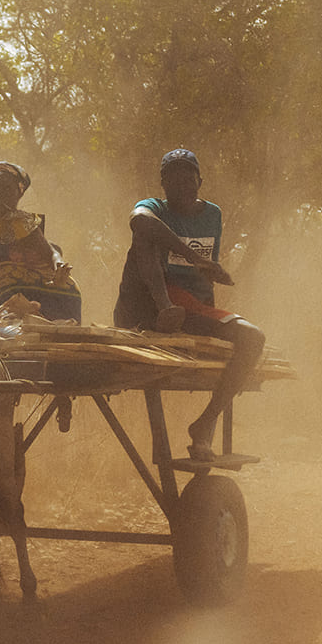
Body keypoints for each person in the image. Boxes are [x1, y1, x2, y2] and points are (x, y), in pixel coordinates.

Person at [114, 148, 265, 460]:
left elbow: (205, 279)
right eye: (173, 179)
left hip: (188, 310)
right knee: (145, 234)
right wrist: (194, 257)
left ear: (201, 181)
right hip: (144, 308)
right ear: (162, 185)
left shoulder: (213, 215)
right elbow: (141, 222)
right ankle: (164, 309)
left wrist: (211, 324)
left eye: (189, 178)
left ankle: (204, 425)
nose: (182, 184)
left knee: (253, 337)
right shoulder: (153, 207)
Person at [0, 161, 82, 323]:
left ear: (18, 194)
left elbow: (50, 250)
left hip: (28, 293)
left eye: (7, 188)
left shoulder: (22, 221)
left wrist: (59, 265)